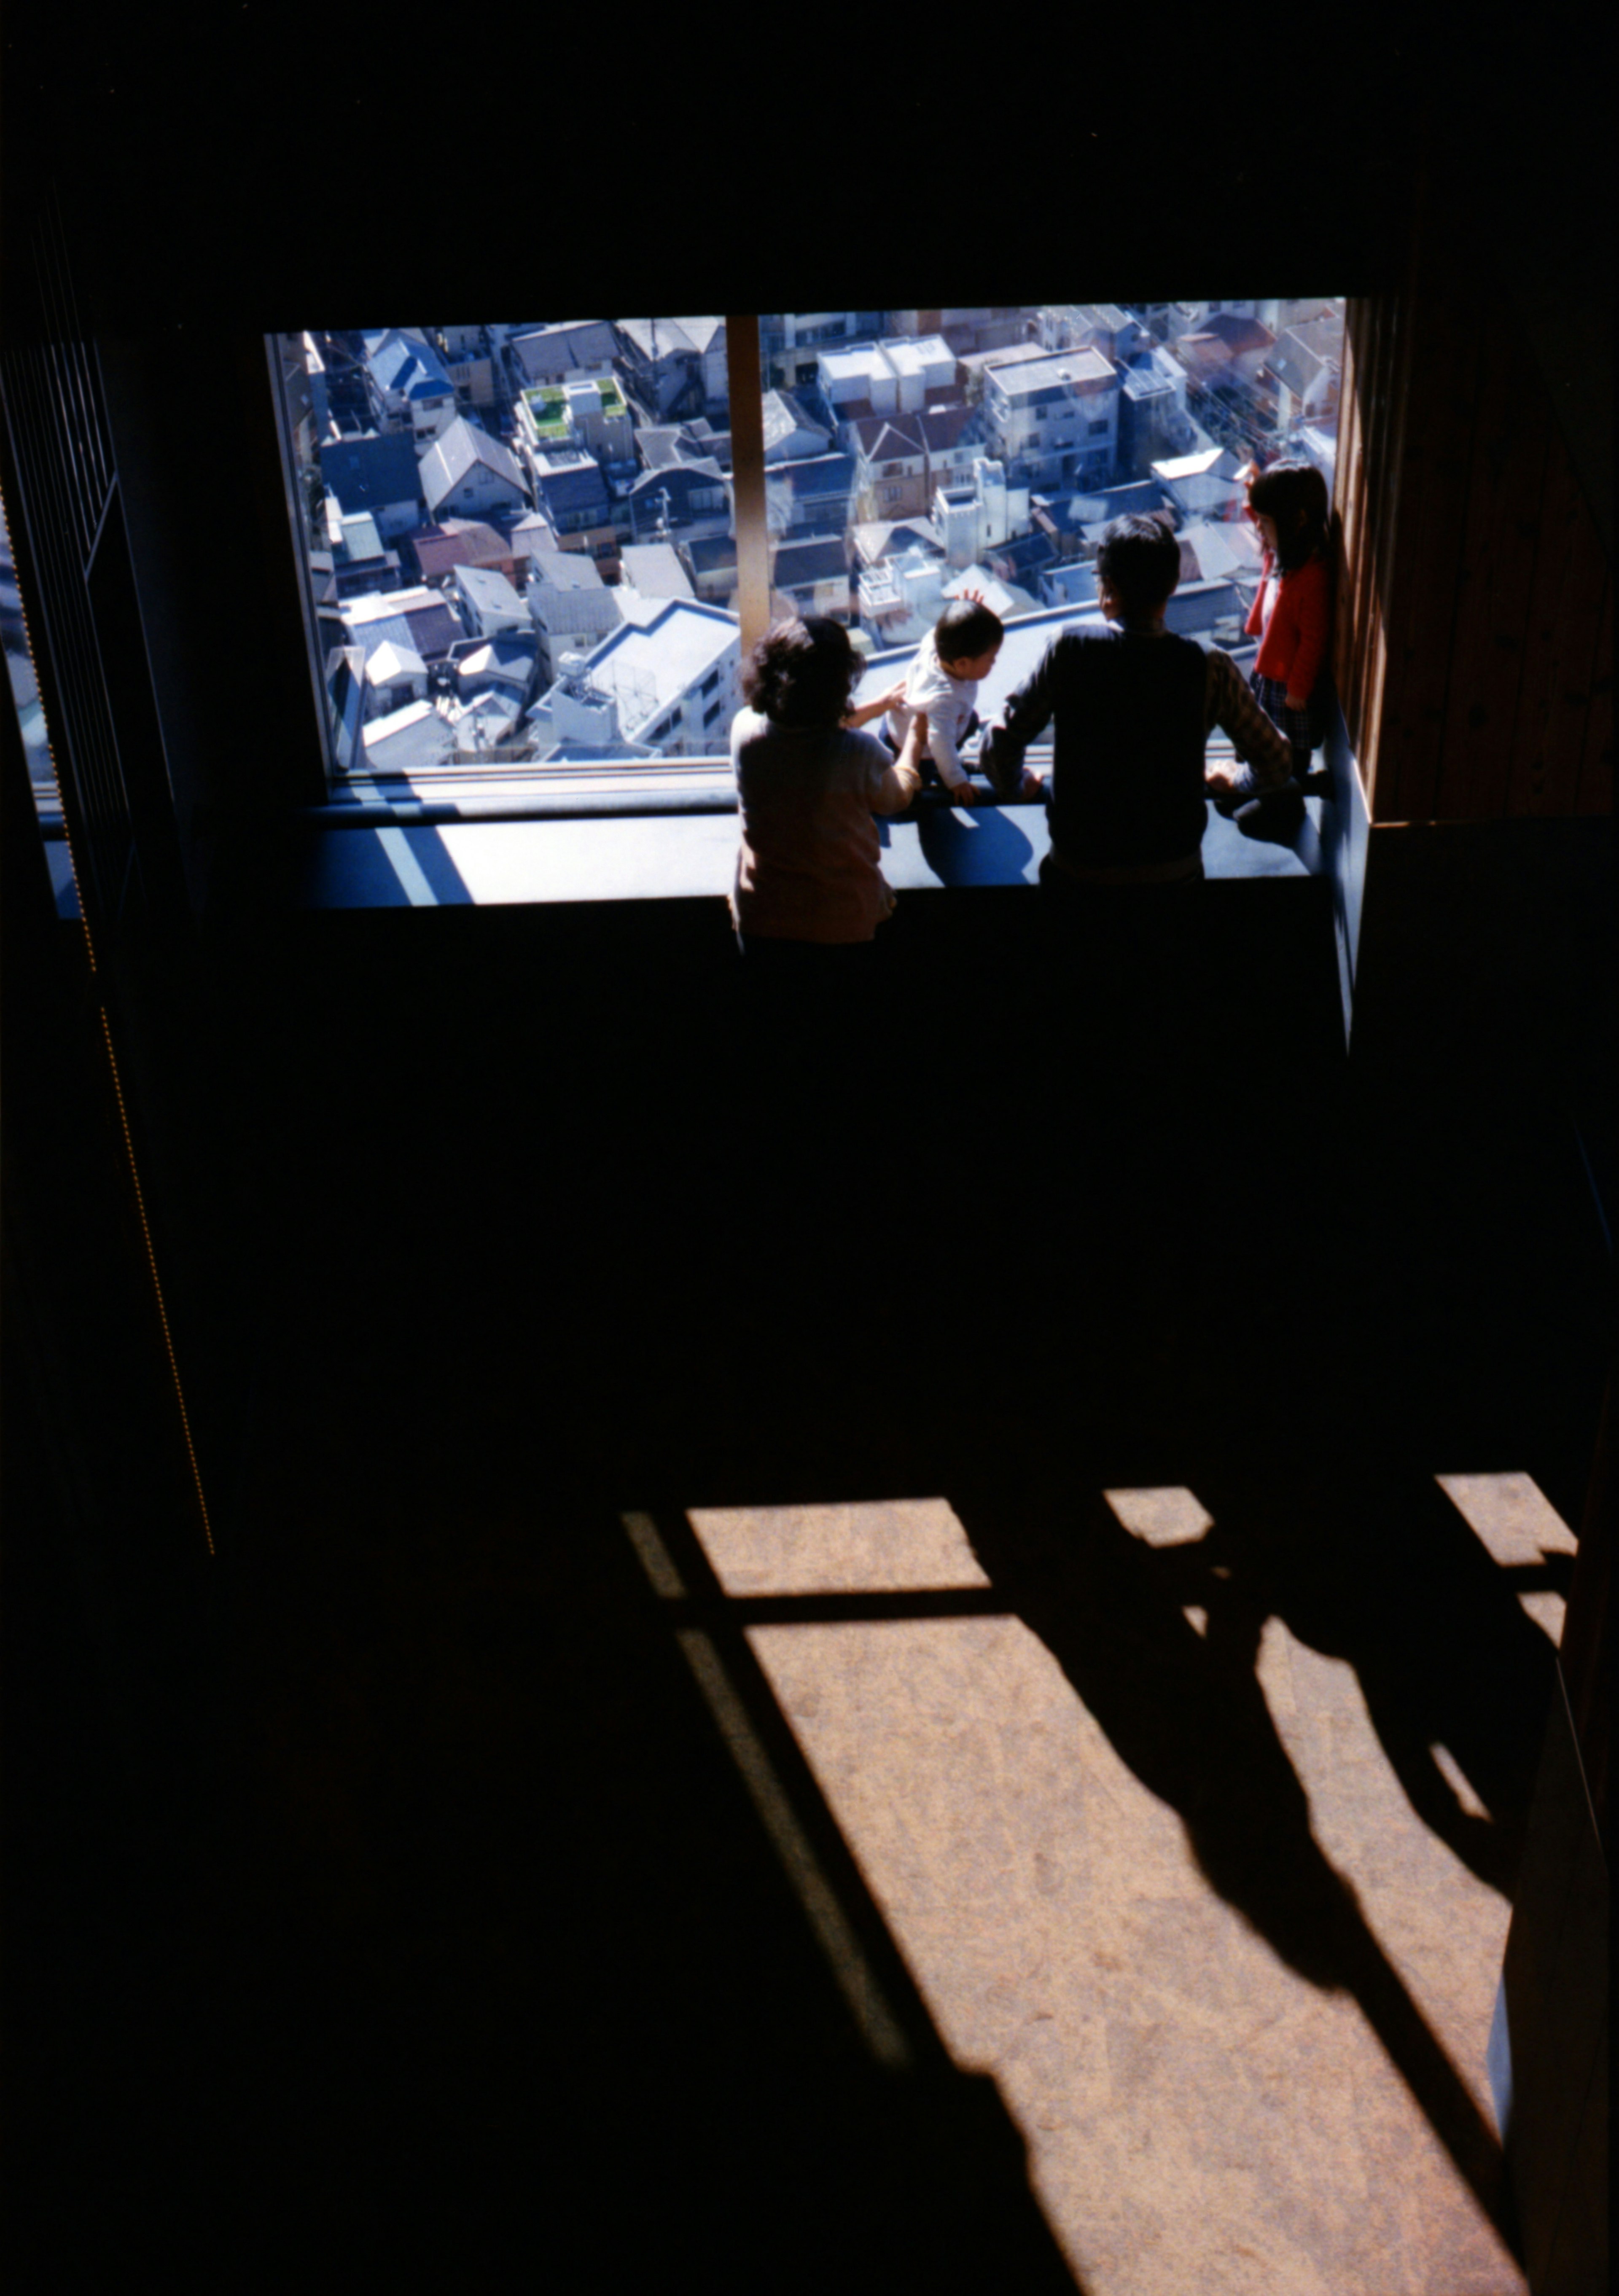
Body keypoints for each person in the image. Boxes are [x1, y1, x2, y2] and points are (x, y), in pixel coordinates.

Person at [978, 514, 1297, 1084]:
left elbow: (1001, 744)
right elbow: (1276, 762)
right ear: (1174, 586)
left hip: (1080, 877)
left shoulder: (1069, 649)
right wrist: (1232, 782)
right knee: (1162, 1027)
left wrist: (1016, 787)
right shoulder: (1208, 666)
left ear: (1107, 588)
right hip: (1171, 883)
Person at [1241, 458, 1333, 787]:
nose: (1258, 528)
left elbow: (1313, 641)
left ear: (1298, 521)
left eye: (1265, 520)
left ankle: (1283, 798)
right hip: (1271, 672)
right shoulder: (1284, 552)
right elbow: (1262, 517)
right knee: (1263, 741)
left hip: (1288, 687)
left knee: (1289, 752)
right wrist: (1255, 489)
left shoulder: (1312, 577)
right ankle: (1262, 784)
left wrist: (1298, 689)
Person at [882, 596, 1007, 801]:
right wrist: (957, 780)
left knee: (971, 720)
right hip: (912, 745)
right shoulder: (945, 699)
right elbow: (940, 742)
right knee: (919, 786)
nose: (994, 662)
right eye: (990, 659)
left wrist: (969, 617)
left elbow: (946, 630)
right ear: (962, 664)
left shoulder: (937, 646)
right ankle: (942, 771)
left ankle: (945, 767)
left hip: (899, 722)